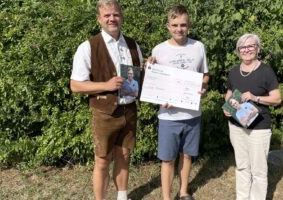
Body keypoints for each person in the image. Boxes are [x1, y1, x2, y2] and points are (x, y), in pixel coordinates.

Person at [70, 0, 143, 199]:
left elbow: (141, 77)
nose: (112, 18)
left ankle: (122, 196)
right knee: (102, 160)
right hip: (104, 113)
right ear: (99, 19)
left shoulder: (133, 44)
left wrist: (151, 65)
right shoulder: (87, 47)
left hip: (129, 110)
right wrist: (106, 85)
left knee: (124, 155)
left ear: (122, 17)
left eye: (116, 14)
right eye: (107, 15)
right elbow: (75, 85)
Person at [147, 5, 209, 200]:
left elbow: (205, 76)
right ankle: (166, 197)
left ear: (189, 25)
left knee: (188, 155)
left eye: (183, 25)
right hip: (168, 115)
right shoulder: (158, 49)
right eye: (175, 25)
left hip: (192, 113)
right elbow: (153, 80)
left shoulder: (198, 47)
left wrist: (203, 89)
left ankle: (183, 192)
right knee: (167, 159)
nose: (179, 29)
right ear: (167, 26)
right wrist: (156, 88)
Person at [223, 33, 281, 200]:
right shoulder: (234, 72)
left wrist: (255, 98)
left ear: (257, 49)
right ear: (238, 50)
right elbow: (228, 94)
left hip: (259, 128)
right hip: (236, 125)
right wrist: (226, 108)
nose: (246, 50)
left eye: (250, 46)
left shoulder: (266, 71)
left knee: (258, 170)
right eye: (243, 47)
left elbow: (277, 98)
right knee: (241, 166)